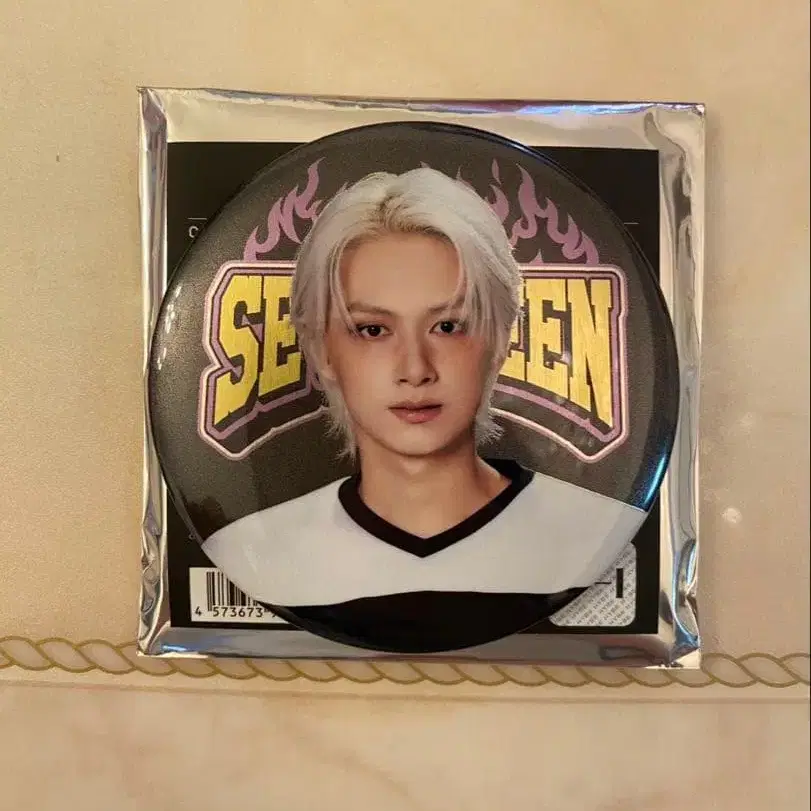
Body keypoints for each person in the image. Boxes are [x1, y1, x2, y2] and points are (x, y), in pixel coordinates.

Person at [201, 167, 646, 652]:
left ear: (501, 337)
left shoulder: (605, 535)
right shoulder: (246, 553)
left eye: (448, 326)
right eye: (373, 330)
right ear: (320, 347)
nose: (415, 369)